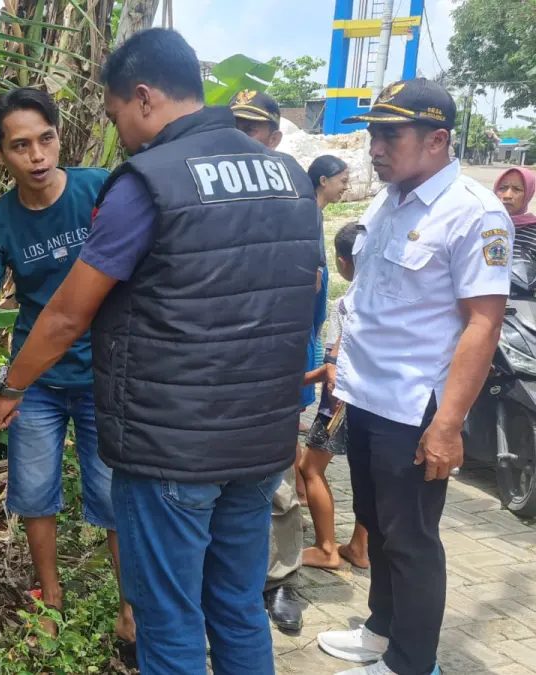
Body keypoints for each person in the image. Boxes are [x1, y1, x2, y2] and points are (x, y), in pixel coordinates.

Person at [0, 29, 323, 674]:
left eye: (114, 117)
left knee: (167, 617)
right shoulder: (287, 176)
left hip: (173, 448)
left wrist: (11, 387)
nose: (120, 135)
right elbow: (300, 298)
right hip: (258, 442)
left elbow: (68, 315)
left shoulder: (148, 181)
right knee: (239, 605)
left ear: (142, 97)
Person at [0, 87, 136, 654]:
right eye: (20, 146)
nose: (38, 156)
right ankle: (51, 595)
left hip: (104, 377)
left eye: (46, 139)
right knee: (34, 494)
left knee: (116, 498)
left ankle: (130, 609)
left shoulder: (100, 189)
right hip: (35, 383)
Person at [317, 78, 513, 675]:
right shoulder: (389, 200)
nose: (375, 146)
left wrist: (448, 424)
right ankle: (380, 631)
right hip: (367, 395)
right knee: (376, 523)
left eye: (390, 134)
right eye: (373, 133)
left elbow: (482, 326)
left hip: (416, 406)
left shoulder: (475, 214)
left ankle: (411, 662)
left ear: (438, 140)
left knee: (412, 538)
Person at [228, 89, 314, 633]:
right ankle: (235, 582)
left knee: (279, 486)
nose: (240, 138)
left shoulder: (291, 194)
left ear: (276, 140)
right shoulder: (208, 188)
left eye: (252, 129)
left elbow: (310, 286)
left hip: (272, 366)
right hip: (217, 370)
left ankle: (281, 581)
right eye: (235, 126)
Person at [299, 221, 370, 570]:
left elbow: (333, 367)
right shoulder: (381, 300)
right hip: (372, 402)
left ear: (342, 262)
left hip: (339, 402)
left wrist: (298, 379)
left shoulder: (346, 304)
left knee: (309, 468)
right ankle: (359, 547)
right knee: (366, 475)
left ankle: (326, 548)